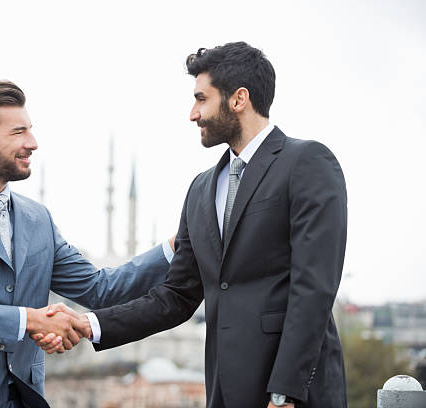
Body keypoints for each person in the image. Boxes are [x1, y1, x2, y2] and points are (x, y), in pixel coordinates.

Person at [42, 42, 348, 407]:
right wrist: (89, 324)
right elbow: (176, 296)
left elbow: (313, 288)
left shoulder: (307, 162)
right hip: (225, 390)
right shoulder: (201, 188)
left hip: (293, 394)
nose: (192, 113)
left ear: (239, 99)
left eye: (201, 99)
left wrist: (284, 394)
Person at [0, 80, 174, 408]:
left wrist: (176, 246)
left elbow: (100, 289)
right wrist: (30, 320)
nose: (33, 143)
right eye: (18, 132)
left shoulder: (38, 220)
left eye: (31, 130)